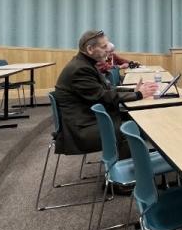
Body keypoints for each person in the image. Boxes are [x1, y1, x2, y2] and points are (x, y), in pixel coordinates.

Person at [53, 30, 158, 162]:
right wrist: (138, 94)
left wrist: (133, 90)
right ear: (90, 49)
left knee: (138, 119)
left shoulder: (85, 63)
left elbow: (107, 89)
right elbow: (104, 97)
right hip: (82, 129)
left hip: (89, 119)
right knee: (130, 129)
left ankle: (142, 164)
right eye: (103, 47)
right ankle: (128, 176)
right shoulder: (80, 69)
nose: (108, 50)